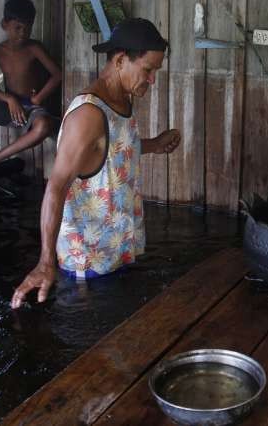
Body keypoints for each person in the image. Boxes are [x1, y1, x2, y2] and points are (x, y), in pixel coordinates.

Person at [10, 18, 181, 309]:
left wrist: (154, 144)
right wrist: (44, 261)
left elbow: (114, 151)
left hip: (116, 249)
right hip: (87, 265)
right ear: (120, 60)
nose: (152, 79)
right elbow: (56, 187)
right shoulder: (87, 114)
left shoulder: (122, 100)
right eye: (148, 70)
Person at [0, 0, 62, 173]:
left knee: (44, 126)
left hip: (31, 109)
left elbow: (57, 74)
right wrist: (8, 98)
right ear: (4, 25)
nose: (23, 33)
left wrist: (38, 98)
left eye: (27, 28)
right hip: (8, 108)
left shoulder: (34, 48)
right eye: (17, 28)